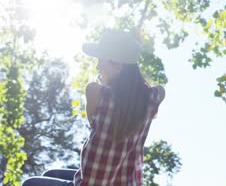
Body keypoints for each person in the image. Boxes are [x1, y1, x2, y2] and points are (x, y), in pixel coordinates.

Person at [22, 29, 165, 186]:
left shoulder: (95, 92)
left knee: (30, 183)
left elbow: (93, 123)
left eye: (101, 61)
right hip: (123, 182)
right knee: (51, 174)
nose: (98, 67)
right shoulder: (152, 98)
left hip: (92, 183)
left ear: (118, 66)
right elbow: (160, 90)